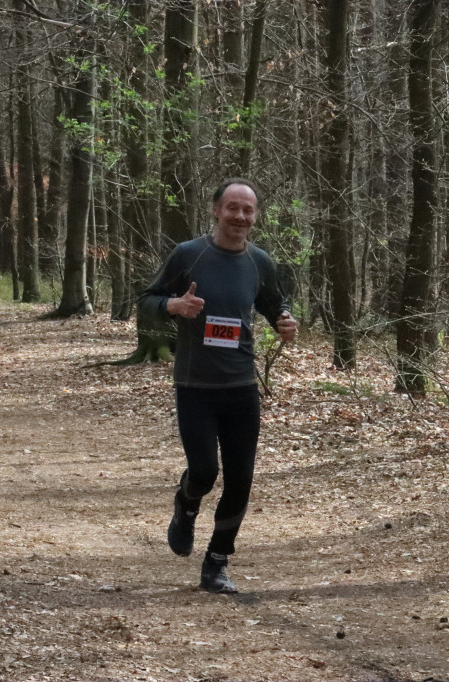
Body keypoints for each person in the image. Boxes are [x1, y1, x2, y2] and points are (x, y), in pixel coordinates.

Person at [138, 178, 298, 594]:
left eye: (247, 210)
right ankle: (186, 503)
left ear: (255, 216)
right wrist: (172, 306)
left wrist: (284, 320)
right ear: (215, 210)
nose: (240, 217)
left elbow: (272, 303)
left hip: (241, 386)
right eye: (232, 208)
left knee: (241, 478)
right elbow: (144, 304)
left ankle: (217, 563)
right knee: (206, 471)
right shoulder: (189, 256)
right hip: (195, 384)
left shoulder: (260, 262)